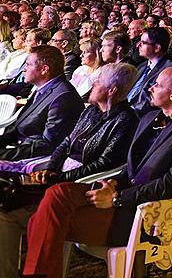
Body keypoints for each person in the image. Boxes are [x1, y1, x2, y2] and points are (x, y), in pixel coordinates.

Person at [23, 67, 172, 278]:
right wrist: (113, 183)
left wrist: (117, 198)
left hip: (139, 212)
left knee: (40, 220)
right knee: (57, 195)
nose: (150, 88)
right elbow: (131, 167)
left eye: (157, 85)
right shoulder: (150, 118)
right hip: (120, 193)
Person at [0, 63, 138, 278]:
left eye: (98, 81)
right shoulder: (91, 110)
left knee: (15, 206)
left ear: (111, 90)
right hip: (60, 173)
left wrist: (60, 178)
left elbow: (104, 164)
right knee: (4, 213)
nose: (92, 84)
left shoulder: (126, 120)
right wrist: (52, 169)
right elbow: (65, 143)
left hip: (83, 183)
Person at [0, 46, 83, 165]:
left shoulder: (63, 97)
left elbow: (47, 145)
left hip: (35, 161)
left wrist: (4, 155)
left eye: (28, 65)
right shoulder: (44, 89)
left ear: (44, 69)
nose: (24, 69)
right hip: (21, 149)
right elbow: (18, 128)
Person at [128, 27, 172, 115]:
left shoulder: (170, 70)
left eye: (143, 43)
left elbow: (152, 102)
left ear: (156, 48)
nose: (138, 45)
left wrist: (126, 113)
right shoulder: (142, 65)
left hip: (142, 117)